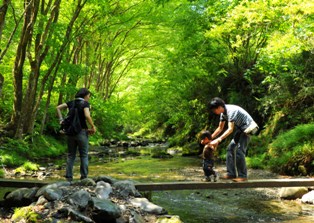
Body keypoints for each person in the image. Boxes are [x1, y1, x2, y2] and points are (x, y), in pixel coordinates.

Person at [208, 97, 258, 182]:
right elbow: (220, 128)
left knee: (239, 151)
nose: (214, 112)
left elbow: (230, 129)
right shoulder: (223, 113)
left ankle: (243, 176)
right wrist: (210, 139)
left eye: (214, 110)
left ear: (219, 107)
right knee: (230, 148)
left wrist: (218, 140)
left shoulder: (231, 111)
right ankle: (231, 174)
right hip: (241, 129)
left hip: (249, 127)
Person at [56, 88, 96, 181]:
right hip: (82, 132)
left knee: (71, 155)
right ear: (85, 95)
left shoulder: (71, 102)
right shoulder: (85, 104)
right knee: (84, 155)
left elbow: (58, 107)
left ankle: (69, 177)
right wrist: (93, 126)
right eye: (89, 96)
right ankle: (84, 177)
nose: (89, 98)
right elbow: (87, 115)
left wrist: (61, 120)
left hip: (70, 132)